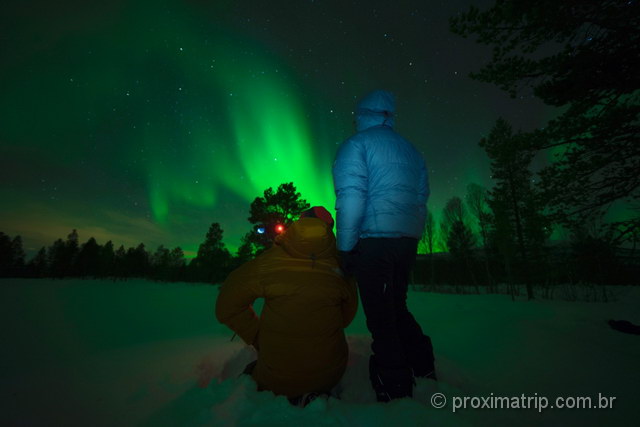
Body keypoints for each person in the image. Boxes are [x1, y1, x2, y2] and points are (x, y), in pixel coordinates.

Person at [332, 89, 436, 402]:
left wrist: (346, 247)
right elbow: (421, 199)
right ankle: (422, 364)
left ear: (362, 115)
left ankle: (393, 384)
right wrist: (412, 236)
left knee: (380, 315)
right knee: (397, 305)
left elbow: (351, 197)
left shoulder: (356, 145)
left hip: (374, 242)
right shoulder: (412, 150)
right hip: (406, 243)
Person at [215, 207, 358, 405]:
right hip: (330, 375)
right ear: (329, 230)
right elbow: (346, 317)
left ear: (299, 224)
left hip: (276, 379)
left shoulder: (269, 263)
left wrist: (257, 336)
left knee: (256, 372)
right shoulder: (340, 267)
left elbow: (226, 305)